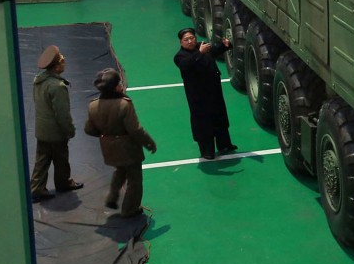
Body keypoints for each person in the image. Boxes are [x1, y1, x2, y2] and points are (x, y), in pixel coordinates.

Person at [84, 68, 157, 217]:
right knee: (135, 179)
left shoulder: (93, 105)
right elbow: (135, 130)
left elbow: (89, 129)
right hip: (128, 148)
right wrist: (149, 143)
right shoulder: (124, 104)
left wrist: (106, 136)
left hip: (108, 148)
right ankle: (130, 210)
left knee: (120, 170)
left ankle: (112, 196)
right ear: (115, 87)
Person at [173, 28, 238, 160]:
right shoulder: (180, 56)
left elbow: (213, 51)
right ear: (181, 42)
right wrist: (199, 53)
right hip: (199, 97)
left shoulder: (201, 47)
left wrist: (224, 46)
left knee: (220, 118)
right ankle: (207, 151)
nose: (190, 41)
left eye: (192, 38)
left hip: (214, 92)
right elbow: (187, 65)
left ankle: (224, 145)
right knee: (203, 123)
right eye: (186, 40)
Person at [30, 45, 83, 202]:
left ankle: (37, 188)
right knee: (61, 159)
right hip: (55, 132)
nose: (64, 62)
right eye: (62, 60)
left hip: (41, 129)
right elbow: (62, 114)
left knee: (42, 160)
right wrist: (70, 130)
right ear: (56, 66)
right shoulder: (57, 87)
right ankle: (63, 183)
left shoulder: (38, 81)